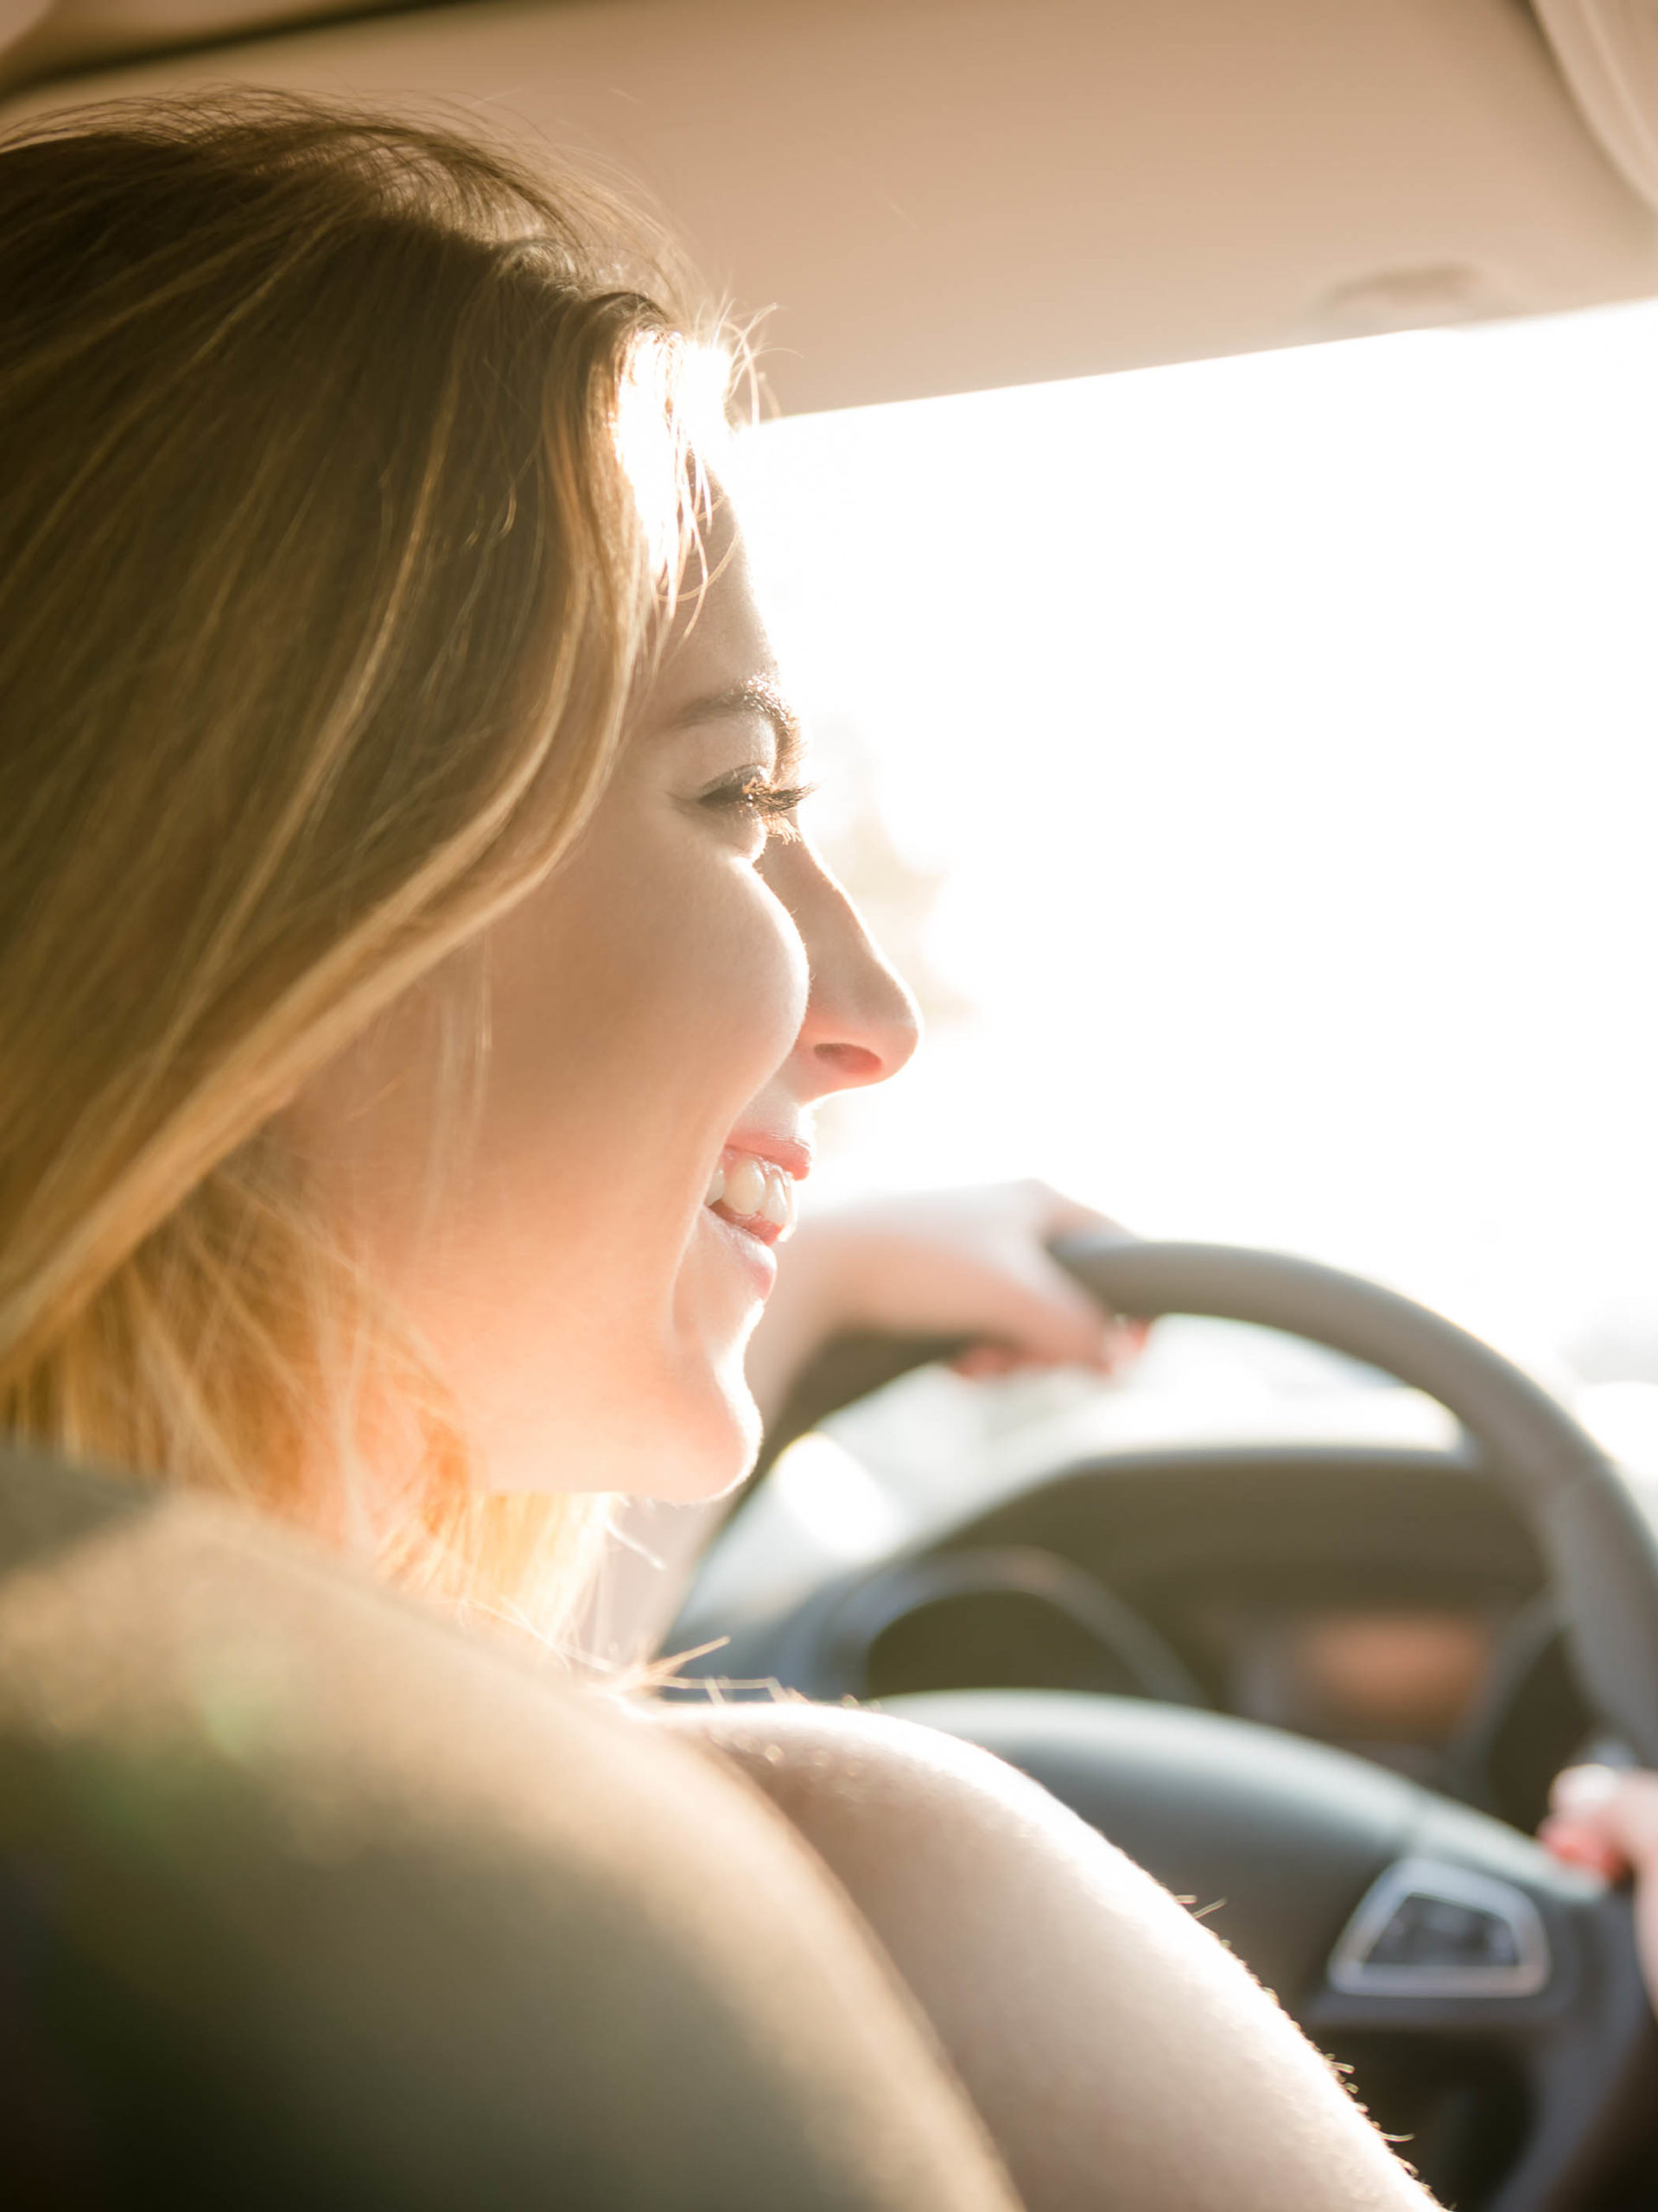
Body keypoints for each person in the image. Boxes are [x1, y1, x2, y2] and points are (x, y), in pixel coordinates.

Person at [0, 91, 1449, 2209]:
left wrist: (827, 1278)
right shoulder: (866, 1907)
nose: (868, 1010)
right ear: (259, 895)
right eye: (733, 799)